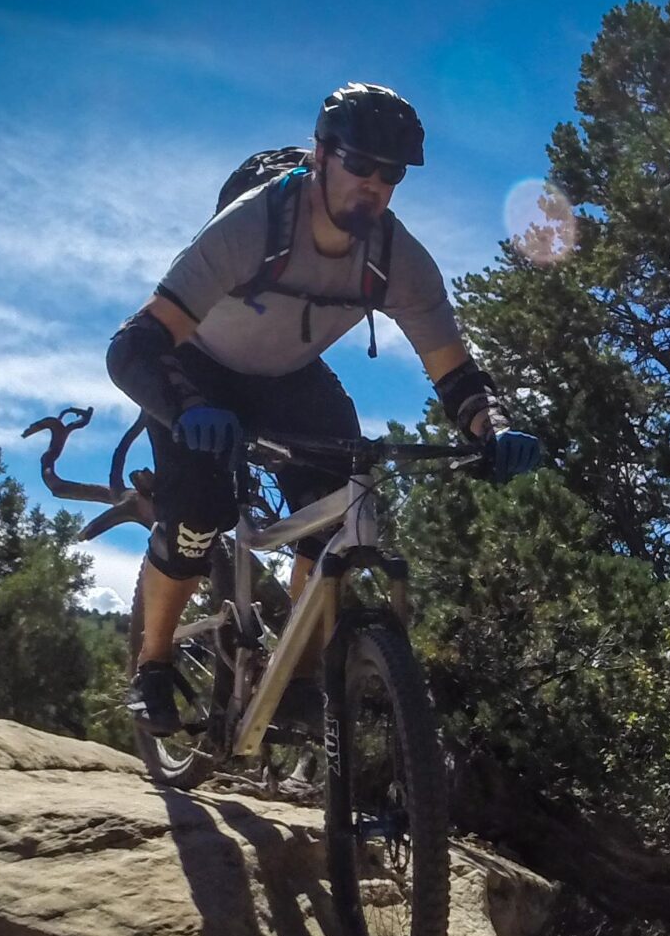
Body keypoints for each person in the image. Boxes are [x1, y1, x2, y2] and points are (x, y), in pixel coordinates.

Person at [104, 82, 541, 735]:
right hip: (197, 372)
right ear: (320, 155)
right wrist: (187, 407)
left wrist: (494, 430)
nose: (373, 184)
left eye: (390, 174)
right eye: (359, 164)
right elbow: (133, 344)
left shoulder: (400, 261)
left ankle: (300, 676)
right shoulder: (254, 224)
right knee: (196, 513)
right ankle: (154, 667)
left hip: (290, 379)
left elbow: (458, 378)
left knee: (344, 513)